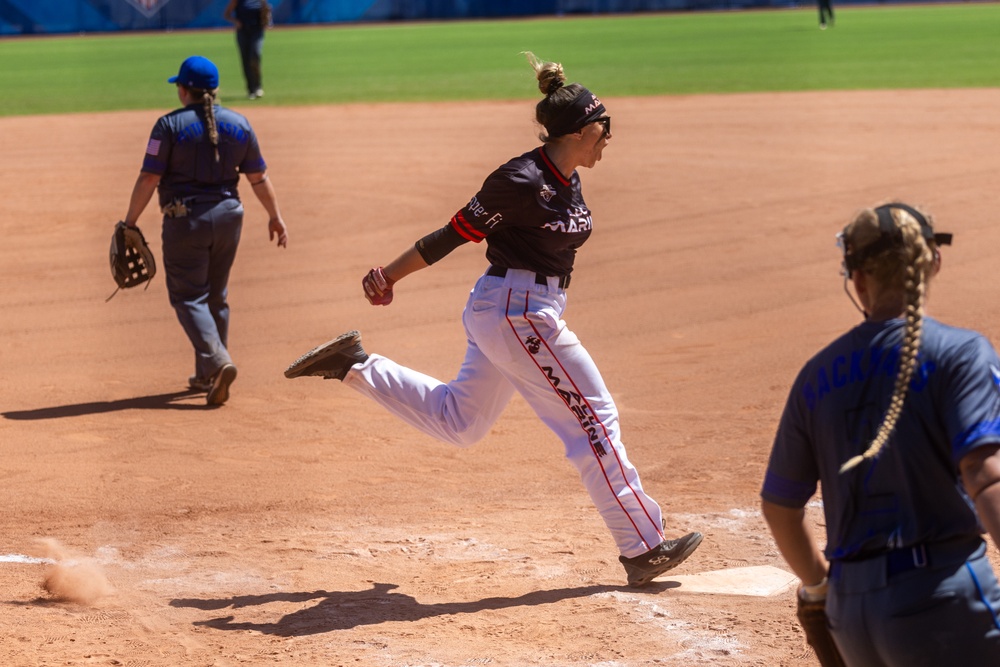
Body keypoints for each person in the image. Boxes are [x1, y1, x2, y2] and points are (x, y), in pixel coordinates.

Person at [283, 53, 703, 588]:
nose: (609, 137)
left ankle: (353, 365)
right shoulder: (520, 180)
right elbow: (451, 233)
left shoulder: (567, 175)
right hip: (519, 314)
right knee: (593, 420)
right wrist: (387, 276)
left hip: (514, 311)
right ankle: (643, 546)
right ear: (579, 131)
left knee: (462, 422)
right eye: (604, 127)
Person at [761, 202, 1000, 665]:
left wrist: (821, 586)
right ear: (933, 262)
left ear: (858, 280)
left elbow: (779, 506)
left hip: (853, 615)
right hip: (943, 600)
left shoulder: (816, 374)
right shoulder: (960, 354)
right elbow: (985, 478)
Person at [120, 55, 288, 406]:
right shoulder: (240, 123)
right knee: (216, 295)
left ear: (184, 91)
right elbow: (258, 177)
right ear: (214, 90)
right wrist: (275, 215)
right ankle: (205, 374)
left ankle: (217, 361)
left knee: (187, 296)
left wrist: (130, 222)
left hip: (186, 221)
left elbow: (149, 177)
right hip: (230, 217)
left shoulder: (167, 126)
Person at [223, 0, 269, 100]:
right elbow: (227, 14)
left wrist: (266, 17)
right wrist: (236, 21)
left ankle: (258, 86)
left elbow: (266, 11)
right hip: (243, 32)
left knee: (255, 55)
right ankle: (251, 89)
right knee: (246, 60)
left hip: (257, 31)